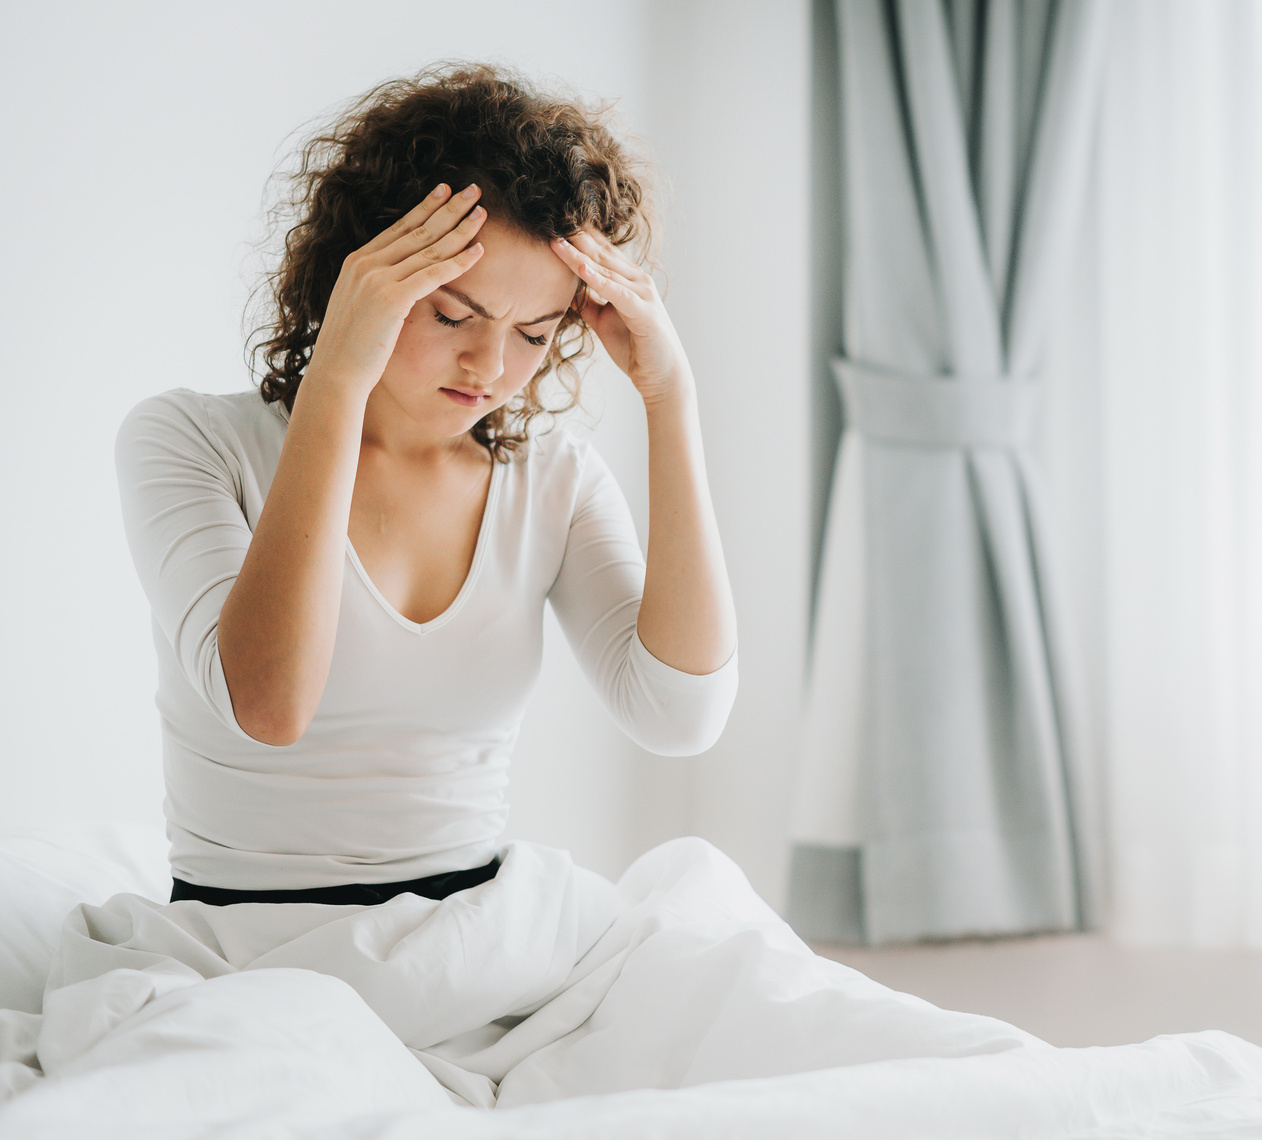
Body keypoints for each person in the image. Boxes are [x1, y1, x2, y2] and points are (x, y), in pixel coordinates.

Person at [84, 62, 1036, 1109]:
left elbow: (679, 712)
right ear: (359, 276)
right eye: (453, 313)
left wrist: (670, 396)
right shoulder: (187, 442)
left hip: (503, 947)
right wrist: (338, 378)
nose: (492, 365)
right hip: (259, 956)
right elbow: (269, 704)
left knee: (901, 1071)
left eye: (536, 334)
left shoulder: (550, 478)